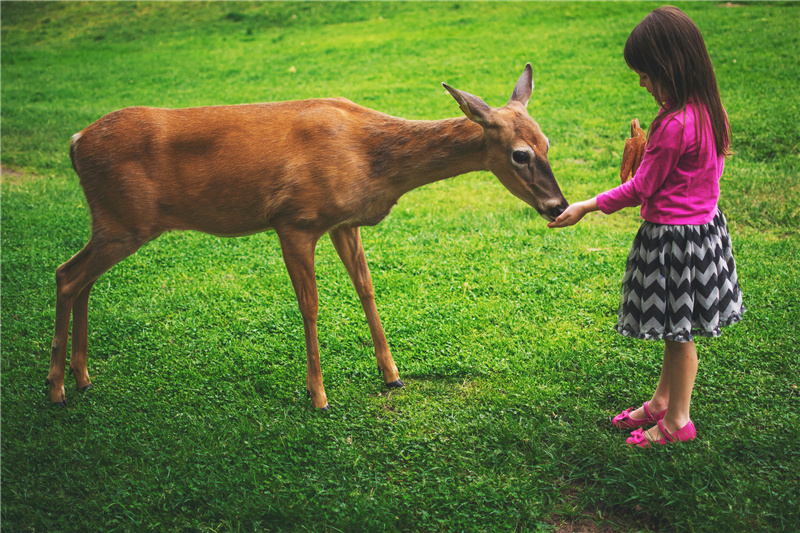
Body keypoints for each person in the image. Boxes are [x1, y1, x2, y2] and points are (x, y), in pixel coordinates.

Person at [548, 6, 745, 446]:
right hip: (704, 235)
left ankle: (678, 422)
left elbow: (641, 188)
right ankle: (660, 402)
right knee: (678, 328)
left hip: (672, 243)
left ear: (670, 67)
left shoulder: (674, 125)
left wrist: (587, 205)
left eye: (645, 73)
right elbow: (700, 177)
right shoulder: (711, 111)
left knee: (679, 336)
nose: (641, 82)